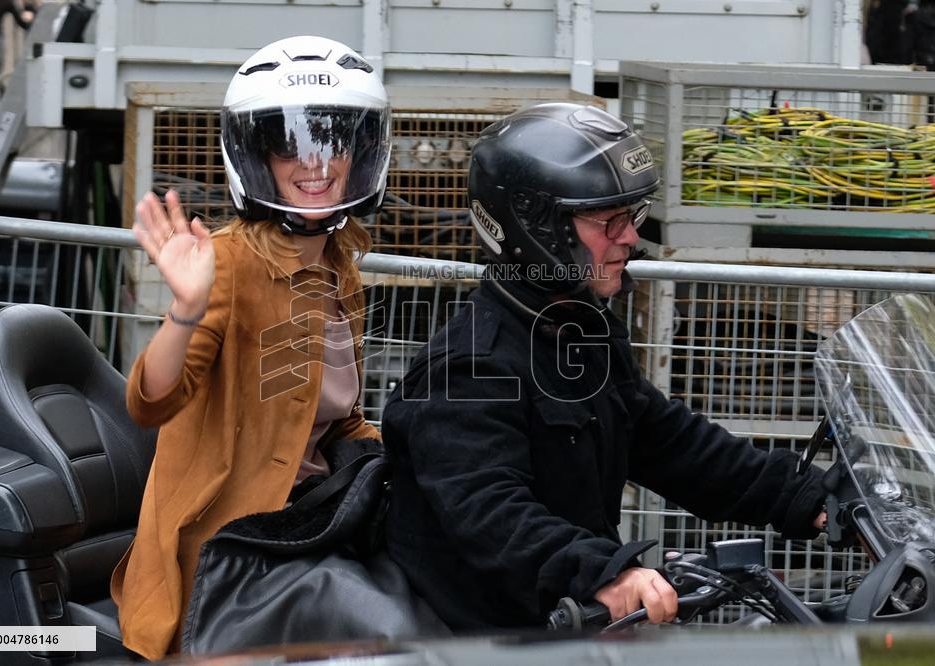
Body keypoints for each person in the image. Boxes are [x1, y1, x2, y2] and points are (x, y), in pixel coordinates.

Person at [381, 103, 827, 631]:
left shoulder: (577, 333)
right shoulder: (468, 367)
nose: (630, 237)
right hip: (482, 642)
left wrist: (808, 496)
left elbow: (670, 442)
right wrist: (603, 575)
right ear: (536, 228)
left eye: (631, 215)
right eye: (608, 221)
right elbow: (490, 513)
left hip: (573, 634)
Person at [110, 35, 390, 660]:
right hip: (232, 553)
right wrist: (186, 309)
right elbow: (151, 402)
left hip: (313, 524)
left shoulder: (339, 269)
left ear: (362, 152)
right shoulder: (228, 265)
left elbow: (337, 421)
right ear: (258, 158)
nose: (314, 162)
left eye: (334, 141)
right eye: (288, 144)